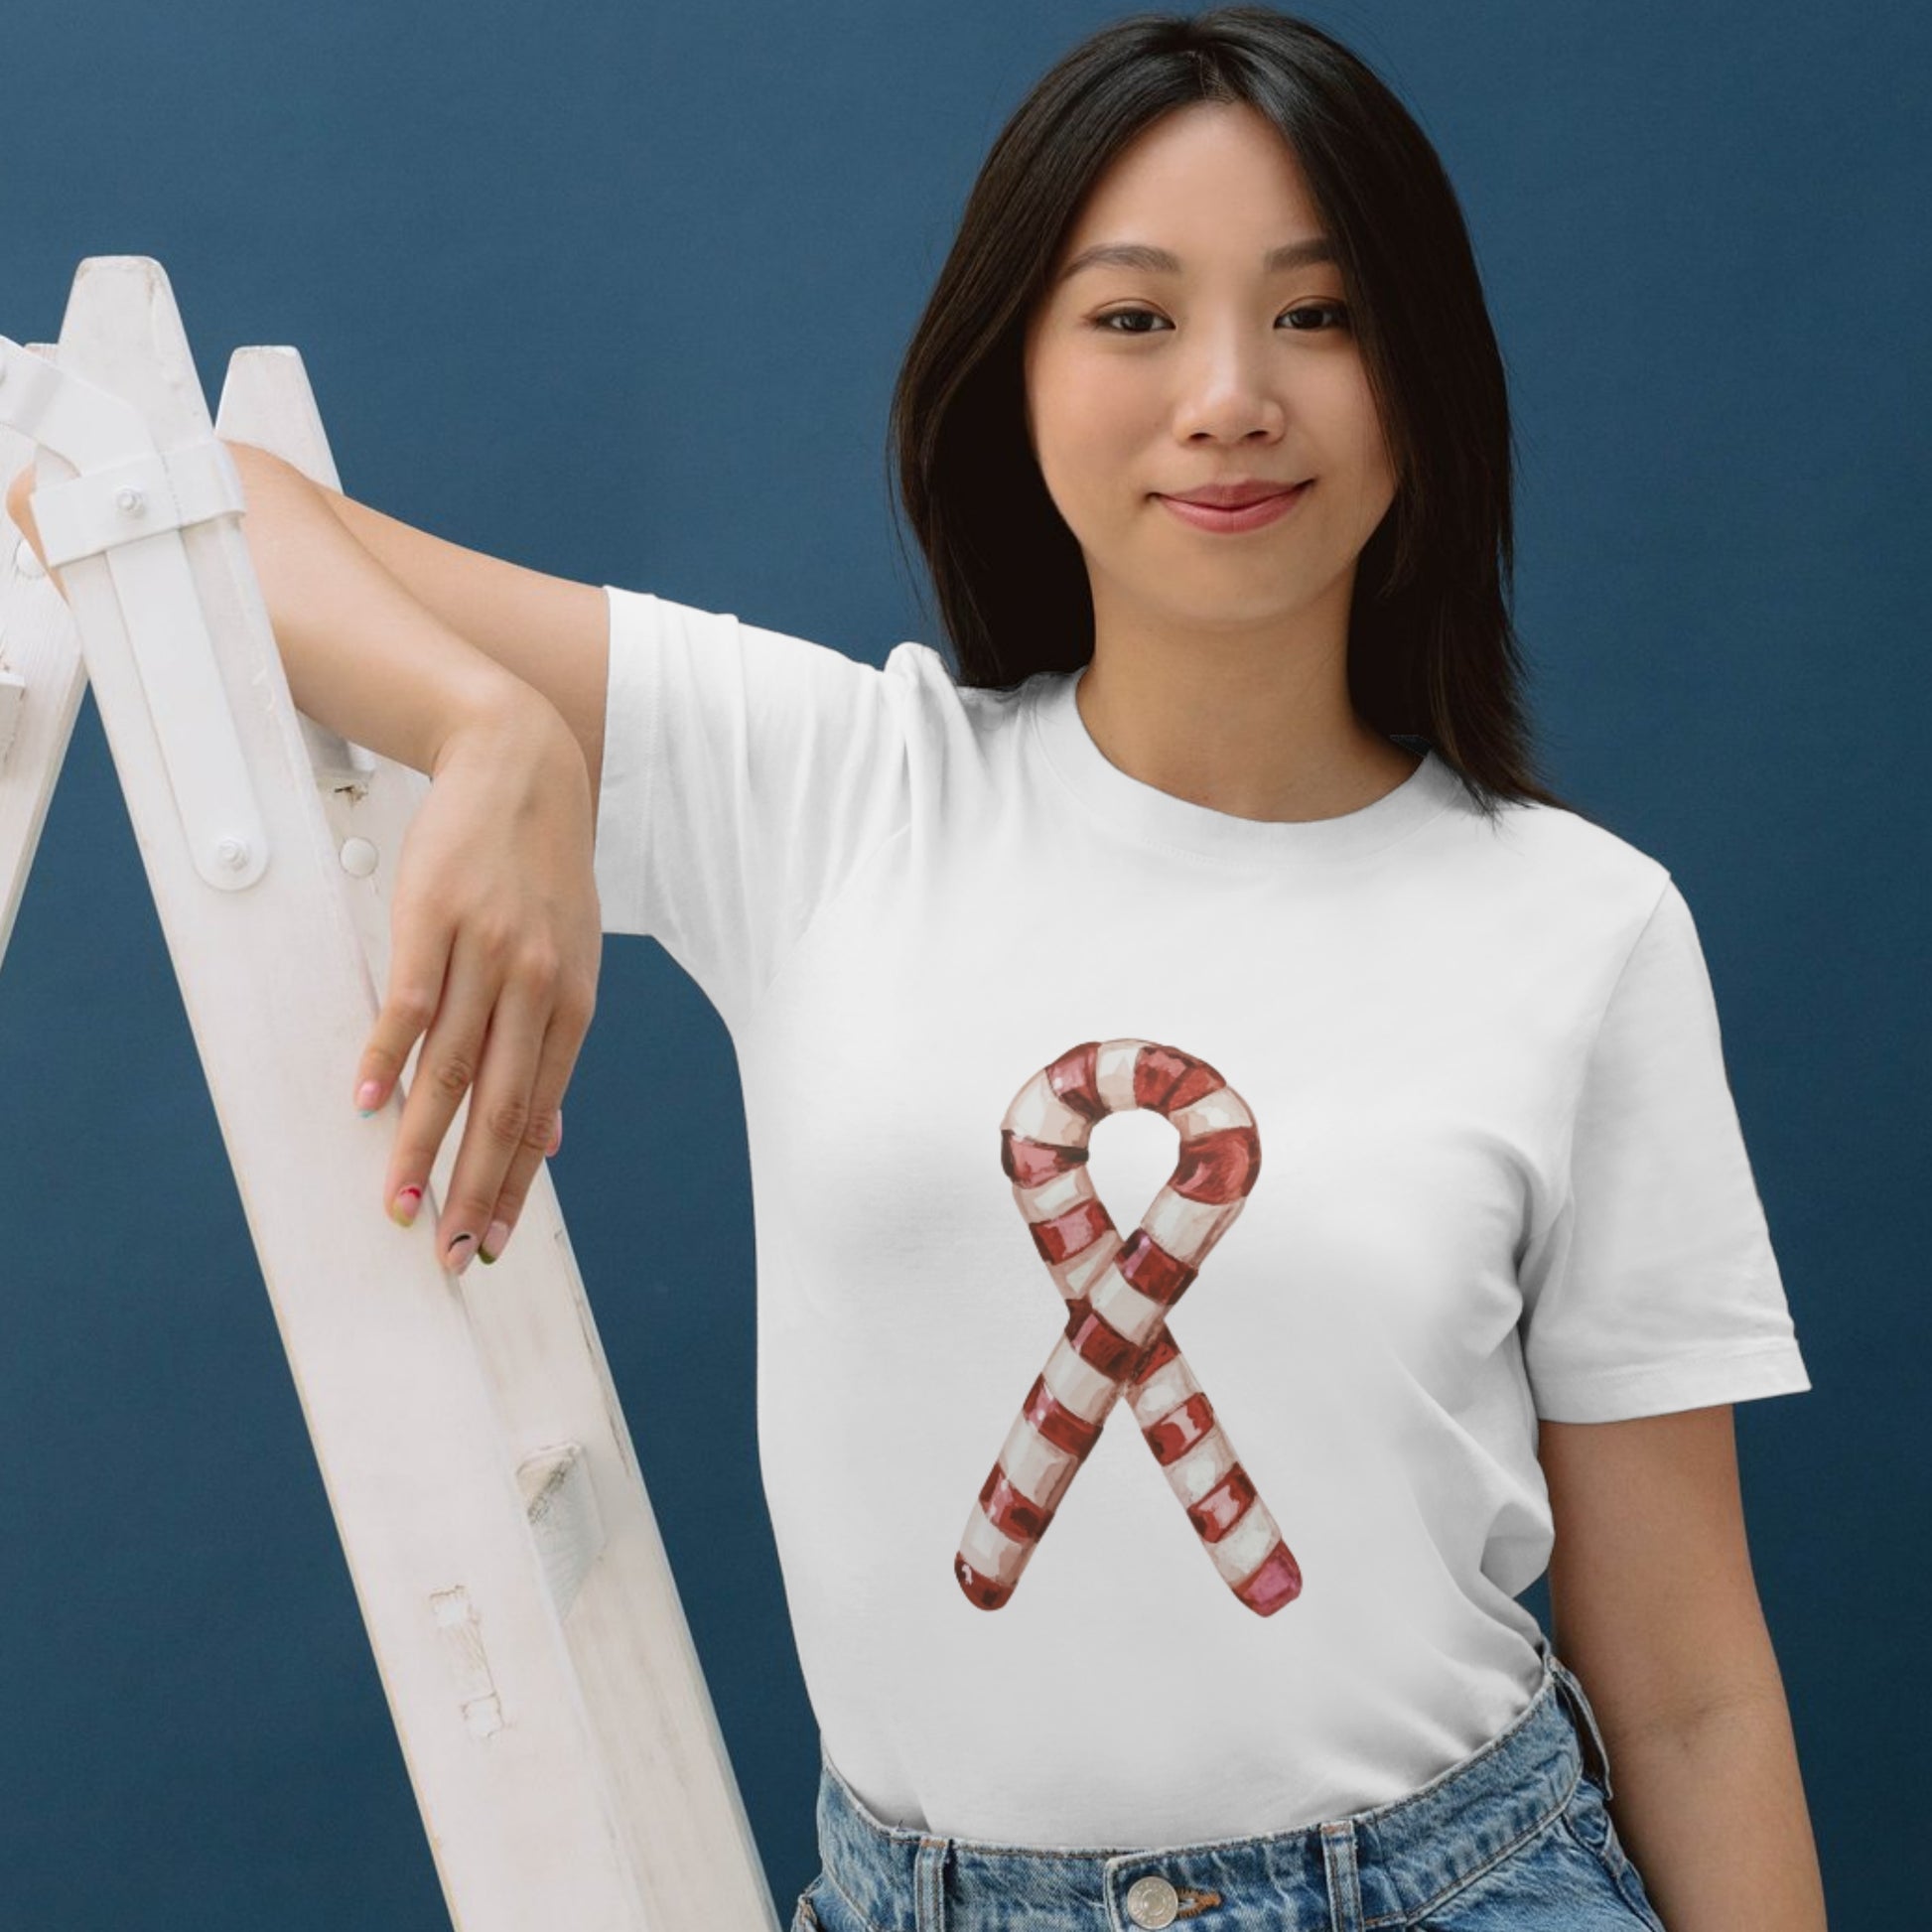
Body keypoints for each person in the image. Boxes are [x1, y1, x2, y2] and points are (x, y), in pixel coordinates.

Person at [7, 8, 1829, 1928]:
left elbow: (1693, 1691)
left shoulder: (1582, 926)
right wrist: (489, 724)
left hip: (1454, 1882)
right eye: (1131, 317)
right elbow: (132, 486)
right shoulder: (827, 784)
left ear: (1422, 382)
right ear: (1014, 375)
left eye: (1316, 314)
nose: (1227, 394)